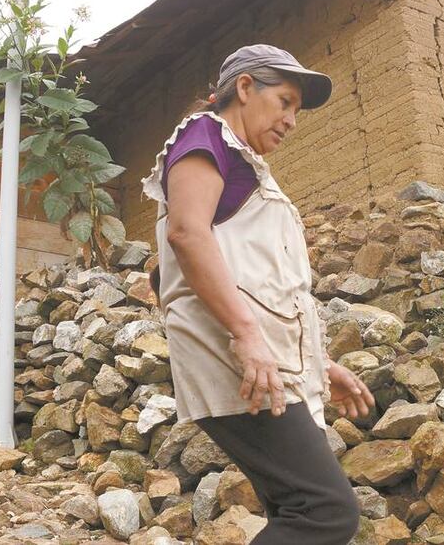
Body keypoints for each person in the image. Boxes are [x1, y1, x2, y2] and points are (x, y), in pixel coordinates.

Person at [140, 44, 375, 544]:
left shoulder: (245, 165)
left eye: (296, 109)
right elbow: (186, 235)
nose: (292, 120)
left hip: (264, 362)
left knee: (295, 508)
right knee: (324, 512)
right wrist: (246, 335)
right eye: (285, 101)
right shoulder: (206, 136)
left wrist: (318, 364)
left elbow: (257, 280)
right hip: (237, 360)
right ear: (245, 88)